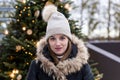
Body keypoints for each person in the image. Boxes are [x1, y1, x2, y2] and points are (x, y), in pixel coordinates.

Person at [26, 1, 94, 80]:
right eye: (52, 38)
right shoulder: (36, 65)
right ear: (48, 41)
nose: (58, 43)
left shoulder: (82, 66)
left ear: (68, 39)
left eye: (62, 38)